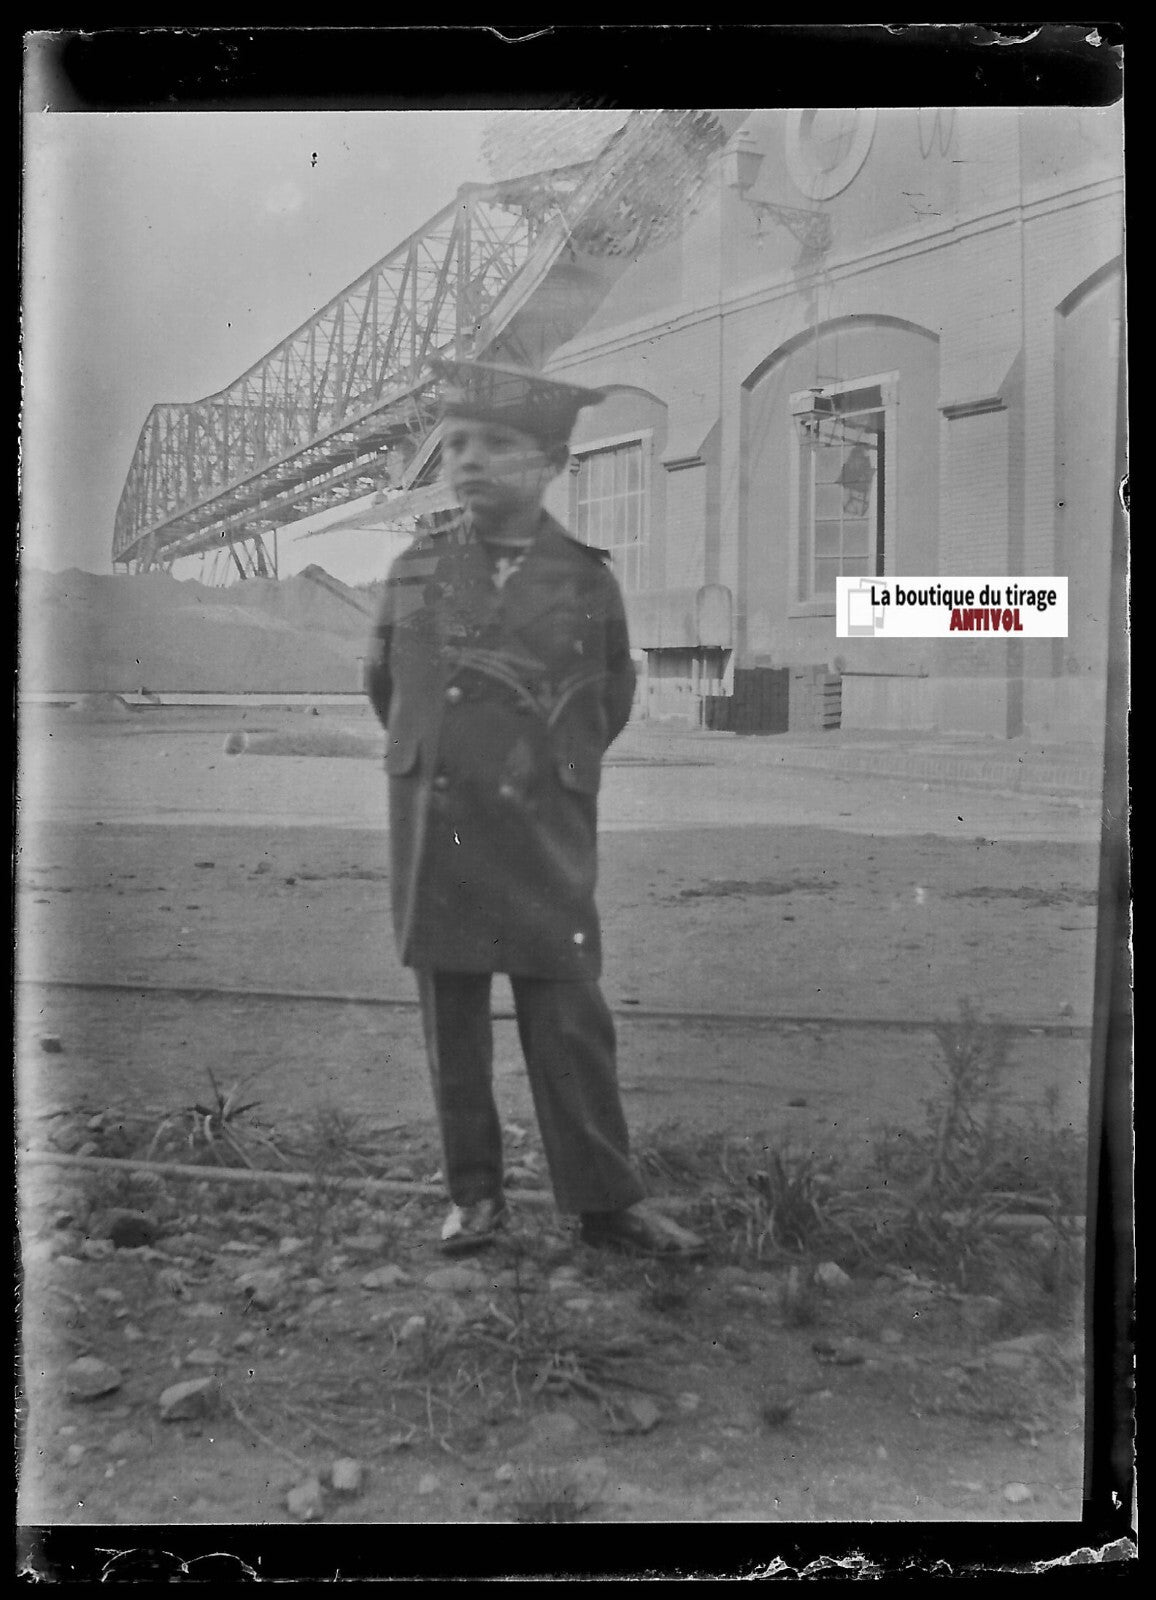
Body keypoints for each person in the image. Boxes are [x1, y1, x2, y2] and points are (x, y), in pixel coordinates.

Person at [365, 357, 705, 1261]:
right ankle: (474, 1198)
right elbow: (386, 686)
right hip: (440, 827)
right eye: (459, 443)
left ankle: (605, 1202)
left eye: (500, 446)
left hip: (541, 827)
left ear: (552, 463)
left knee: (568, 1012)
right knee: (455, 1020)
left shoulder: (586, 580)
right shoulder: (413, 569)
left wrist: (544, 770)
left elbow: (610, 699)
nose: (471, 461)